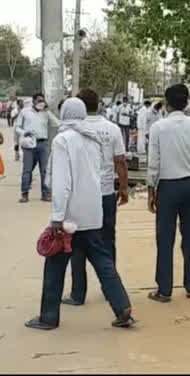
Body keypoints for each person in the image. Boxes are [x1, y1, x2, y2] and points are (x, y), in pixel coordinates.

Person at [24, 97, 135, 331]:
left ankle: (48, 317)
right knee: (103, 262)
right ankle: (121, 305)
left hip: (70, 217)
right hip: (93, 212)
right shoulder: (93, 140)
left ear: (64, 114)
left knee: (54, 267)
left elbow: (63, 182)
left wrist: (57, 216)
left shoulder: (64, 140)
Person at [61, 89, 130, 306]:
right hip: (106, 193)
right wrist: (124, 187)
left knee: (77, 245)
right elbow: (120, 161)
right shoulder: (112, 129)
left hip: (80, 196)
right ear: (99, 104)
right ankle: (110, 289)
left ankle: (77, 293)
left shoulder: (72, 131)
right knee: (108, 240)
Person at [146, 84, 190, 303]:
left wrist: (150, 189)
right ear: (186, 103)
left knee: (165, 238)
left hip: (168, 187)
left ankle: (164, 289)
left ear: (167, 102)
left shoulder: (158, 127)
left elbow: (153, 162)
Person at [17, 93, 59, 203]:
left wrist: (47, 110)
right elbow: (17, 127)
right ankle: (24, 193)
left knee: (45, 170)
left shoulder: (46, 113)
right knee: (27, 170)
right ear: (34, 101)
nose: (41, 103)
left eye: (43, 101)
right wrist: (24, 132)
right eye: (39, 100)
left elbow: (56, 123)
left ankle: (45, 194)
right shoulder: (25, 112)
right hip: (29, 144)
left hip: (43, 144)